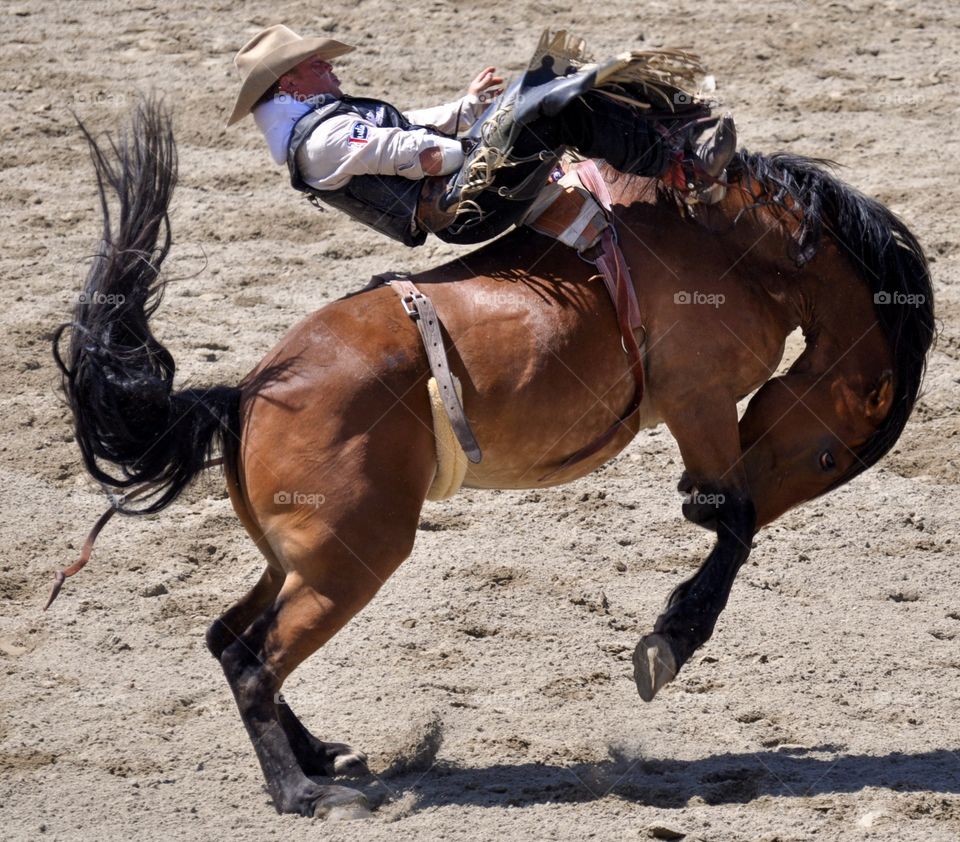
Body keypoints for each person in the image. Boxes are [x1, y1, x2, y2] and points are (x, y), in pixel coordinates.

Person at [227, 25, 736, 247]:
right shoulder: (325, 140)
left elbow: (407, 128)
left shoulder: (326, 126)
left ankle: (671, 142)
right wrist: (490, 137)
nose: (326, 65)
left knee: (539, 88)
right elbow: (420, 155)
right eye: (313, 62)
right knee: (543, 105)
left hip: (461, 193)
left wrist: (474, 111)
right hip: (465, 208)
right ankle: (680, 167)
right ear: (289, 82)